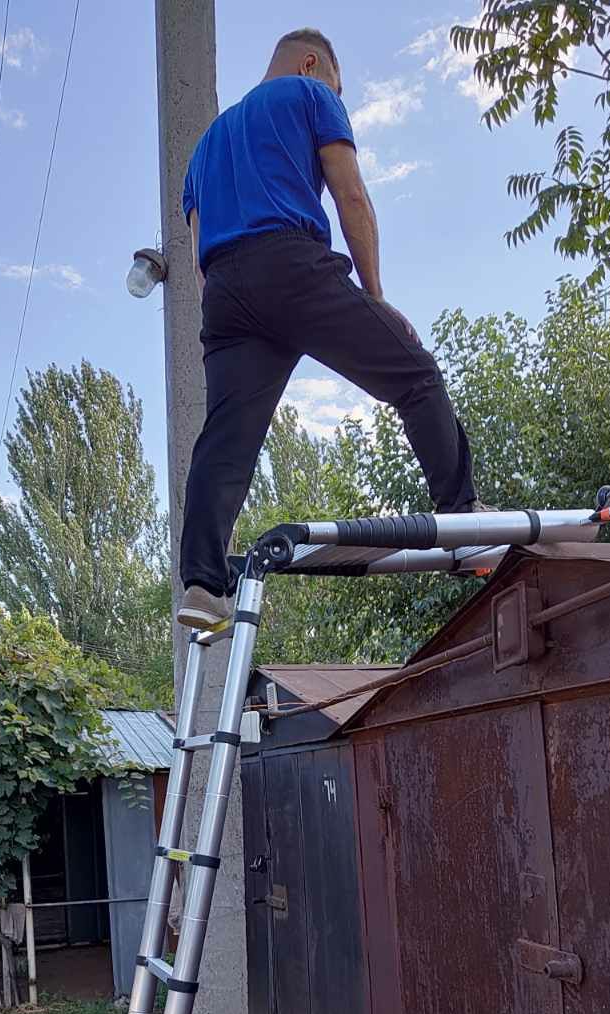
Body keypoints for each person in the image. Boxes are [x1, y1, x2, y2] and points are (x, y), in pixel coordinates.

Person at [176, 26, 480, 629]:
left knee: (227, 440)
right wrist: (377, 299)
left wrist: (230, 322)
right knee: (414, 373)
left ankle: (202, 586)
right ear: (313, 64)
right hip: (289, 264)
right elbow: (351, 197)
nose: (337, 94)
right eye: (337, 84)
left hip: (226, 294)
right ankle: (462, 519)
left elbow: (195, 258)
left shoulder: (205, 147)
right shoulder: (311, 96)